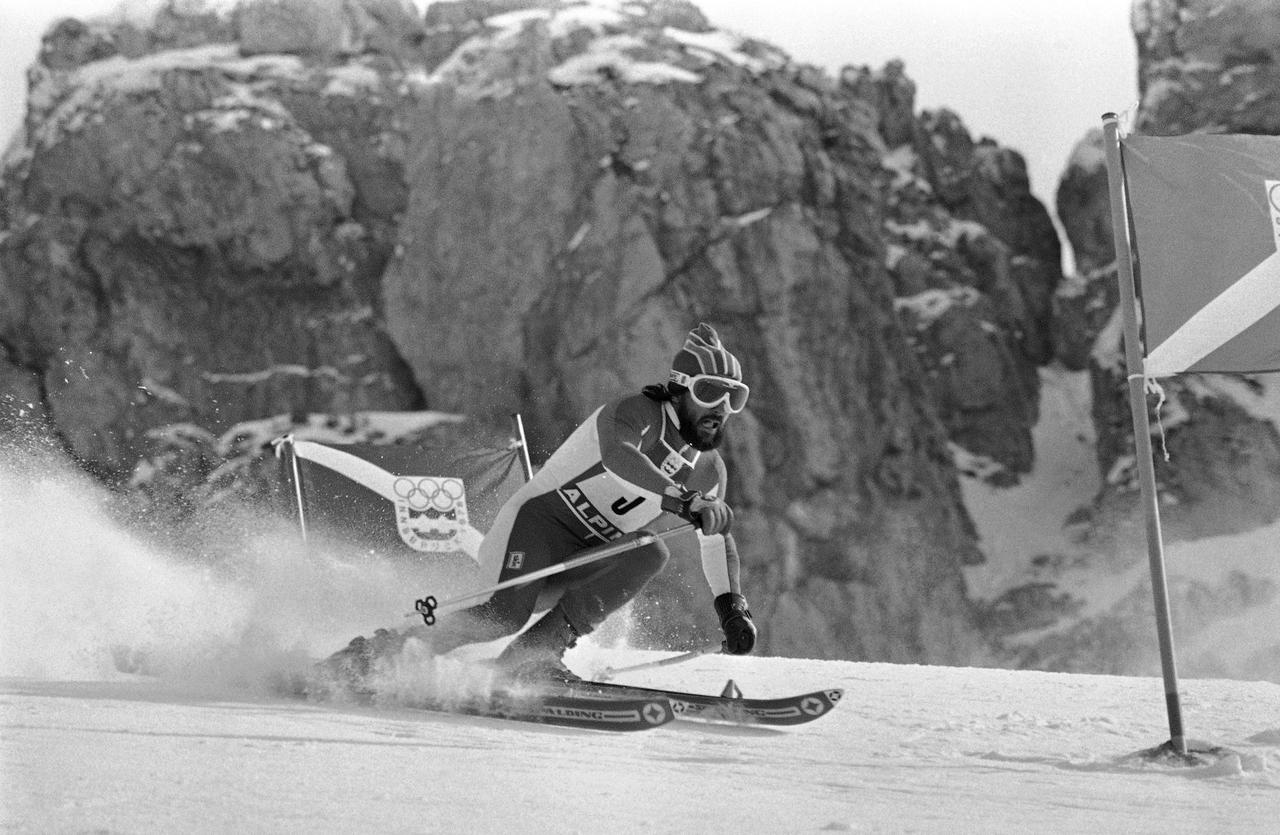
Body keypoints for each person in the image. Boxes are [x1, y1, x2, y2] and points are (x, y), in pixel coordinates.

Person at [327, 323, 758, 686]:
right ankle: (369, 656)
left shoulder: (708, 472)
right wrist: (683, 499)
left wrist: (732, 609)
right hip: (538, 526)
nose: (721, 409)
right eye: (710, 393)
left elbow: (716, 539)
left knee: (648, 553)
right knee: (500, 618)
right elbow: (619, 458)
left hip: (586, 553)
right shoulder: (637, 413)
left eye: (733, 398)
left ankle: (529, 661)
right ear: (680, 389)